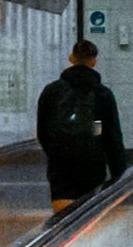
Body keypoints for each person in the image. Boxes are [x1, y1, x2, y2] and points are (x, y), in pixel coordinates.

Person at [33, 33, 127, 211]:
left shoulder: (51, 91)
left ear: (71, 58)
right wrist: (119, 176)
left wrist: (56, 153)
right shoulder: (103, 94)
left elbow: (43, 132)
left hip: (61, 167)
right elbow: (113, 138)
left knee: (63, 220)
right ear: (93, 62)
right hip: (92, 166)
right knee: (88, 220)